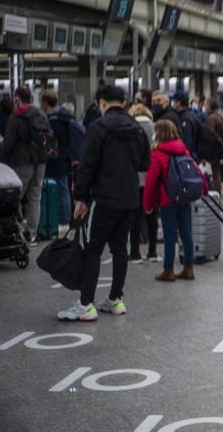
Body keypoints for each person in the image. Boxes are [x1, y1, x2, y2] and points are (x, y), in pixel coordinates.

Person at [60, 85, 150, 321]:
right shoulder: (137, 128)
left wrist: (81, 197)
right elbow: (145, 163)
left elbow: (87, 165)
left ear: (102, 103)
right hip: (130, 198)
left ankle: (86, 304)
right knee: (120, 249)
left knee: (93, 250)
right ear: (124, 102)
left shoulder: (97, 128)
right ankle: (115, 299)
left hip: (104, 199)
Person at [143, 120, 206, 282]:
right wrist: (204, 189)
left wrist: (147, 204)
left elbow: (150, 181)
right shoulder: (182, 150)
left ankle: (168, 270)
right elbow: (197, 170)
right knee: (185, 231)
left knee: (170, 234)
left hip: (167, 199)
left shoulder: (157, 153)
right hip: (184, 196)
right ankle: (188, 267)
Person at [0, 86, 50, 244]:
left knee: (15, 197)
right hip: (41, 160)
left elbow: (8, 143)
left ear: (17, 99)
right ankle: (32, 234)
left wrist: (0, 163)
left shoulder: (16, 116)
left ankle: (16, 232)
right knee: (35, 197)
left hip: (22, 161)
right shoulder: (41, 114)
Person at [41, 90, 80, 235]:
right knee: (64, 190)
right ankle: (64, 219)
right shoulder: (63, 116)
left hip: (56, 159)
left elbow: (52, 140)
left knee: (62, 190)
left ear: (45, 102)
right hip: (65, 158)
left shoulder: (53, 119)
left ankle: (63, 220)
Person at [128, 103, 159, 265]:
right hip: (152, 176)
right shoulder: (155, 128)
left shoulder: (130, 128)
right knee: (152, 214)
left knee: (135, 215)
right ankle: (152, 251)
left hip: (134, 177)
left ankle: (135, 252)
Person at [204, 98, 223, 194]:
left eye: (206, 105)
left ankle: (216, 192)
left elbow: (209, 135)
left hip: (213, 151)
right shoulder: (220, 117)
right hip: (219, 149)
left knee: (214, 173)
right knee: (217, 171)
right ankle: (218, 191)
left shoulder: (211, 119)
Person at [171, 91, 200, 160]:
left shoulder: (185, 119)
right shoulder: (191, 114)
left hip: (189, 156)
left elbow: (186, 141)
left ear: (179, 102)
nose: (172, 103)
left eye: (174, 101)